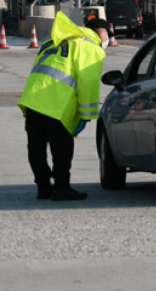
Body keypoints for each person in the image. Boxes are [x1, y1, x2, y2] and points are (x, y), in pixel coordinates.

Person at [19, 13, 108, 201]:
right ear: (101, 33)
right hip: (56, 103)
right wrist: (85, 116)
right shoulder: (90, 46)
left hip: (33, 99)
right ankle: (61, 187)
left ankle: (43, 187)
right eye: (108, 34)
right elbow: (88, 83)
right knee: (62, 147)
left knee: (36, 146)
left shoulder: (53, 41)